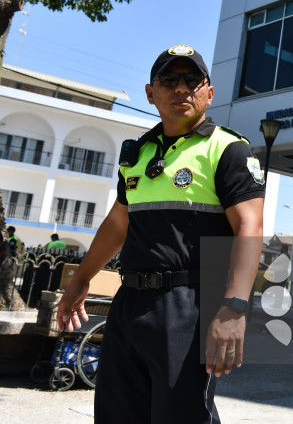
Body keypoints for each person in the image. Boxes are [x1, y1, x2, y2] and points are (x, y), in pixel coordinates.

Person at [57, 44, 265, 424]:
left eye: (192, 80)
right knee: (117, 414)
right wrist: (81, 280)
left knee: (181, 416)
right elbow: (117, 224)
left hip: (189, 306)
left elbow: (249, 227)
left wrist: (234, 307)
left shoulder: (227, 149)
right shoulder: (137, 154)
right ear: (151, 93)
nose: (181, 88)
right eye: (169, 80)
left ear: (209, 92)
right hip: (129, 304)